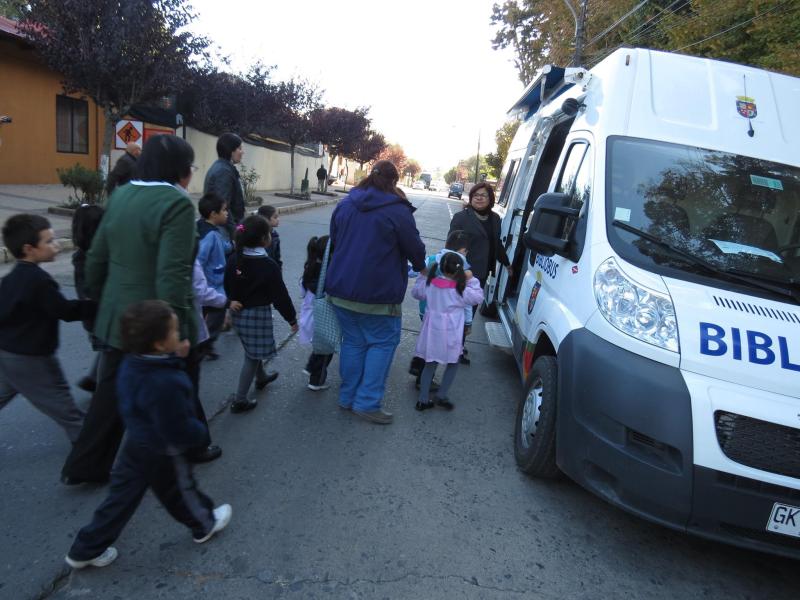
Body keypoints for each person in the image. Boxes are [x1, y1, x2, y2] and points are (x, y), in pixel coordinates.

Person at [61, 134, 219, 486]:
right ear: (182, 172)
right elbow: (172, 274)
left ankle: (85, 465)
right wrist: (175, 329)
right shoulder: (175, 205)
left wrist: (106, 302)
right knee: (181, 383)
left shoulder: (120, 195)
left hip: (118, 316)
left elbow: (97, 259)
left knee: (109, 394)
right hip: (156, 320)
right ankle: (191, 446)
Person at [64, 300, 231, 570]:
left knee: (121, 497)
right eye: (175, 333)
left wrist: (175, 356)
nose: (179, 336)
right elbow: (178, 425)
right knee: (179, 490)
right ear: (159, 343)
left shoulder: (132, 363)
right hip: (163, 448)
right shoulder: (165, 381)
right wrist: (199, 434)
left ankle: (85, 548)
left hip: (137, 441)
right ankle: (204, 524)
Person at [325, 159, 426, 424]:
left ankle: (347, 397)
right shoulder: (397, 211)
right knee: (382, 343)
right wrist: (421, 266)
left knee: (354, 342)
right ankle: (367, 403)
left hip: (341, 288)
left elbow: (335, 240)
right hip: (378, 295)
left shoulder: (346, 203)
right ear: (394, 181)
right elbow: (415, 250)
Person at [0, 214, 93, 443]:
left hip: (9, 353)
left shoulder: (11, 279)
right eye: (49, 241)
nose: (57, 245)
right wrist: (95, 306)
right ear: (29, 248)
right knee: (65, 409)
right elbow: (64, 310)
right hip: (30, 358)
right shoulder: (39, 281)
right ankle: (90, 455)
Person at [224, 215, 298, 413]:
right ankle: (240, 399)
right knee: (252, 355)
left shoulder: (234, 258)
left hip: (237, 313)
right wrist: (291, 318)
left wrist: (228, 304)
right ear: (265, 239)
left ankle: (261, 376)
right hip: (256, 316)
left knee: (252, 349)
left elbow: (226, 285)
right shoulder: (268, 265)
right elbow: (280, 296)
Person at [447, 182, 512, 362]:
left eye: (483, 195)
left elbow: (496, 244)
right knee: (457, 310)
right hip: (462, 272)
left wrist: (507, 264)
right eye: (476, 195)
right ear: (471, 197)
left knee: (471, 311)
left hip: (481, 273)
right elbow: (452, 245)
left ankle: (458, 344)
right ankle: (453, 347)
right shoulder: (461, 217)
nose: (479, 198)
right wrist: (452, 269)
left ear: (490, 198)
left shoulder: (495, 219)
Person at [411, 252, 483, 411]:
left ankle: (423, 399)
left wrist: (423, 276)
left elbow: (416, 292)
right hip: (450, 334)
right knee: (452, 362)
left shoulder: (430, 284)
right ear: (459, 270)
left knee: (430, 364)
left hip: (431, 333)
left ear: (441, 268)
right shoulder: (461, 290)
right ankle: (441, 395)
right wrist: (471, 279)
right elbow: (478, 297)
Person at [408, 229, 472, 386]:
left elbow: (416, 275)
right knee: (436, 347)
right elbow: (466, 299)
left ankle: (419, 365)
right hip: (447, 316)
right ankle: (424, 378)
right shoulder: (461, 267)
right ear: (464, 251)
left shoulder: (431, 259)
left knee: (427, 339)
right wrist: (468, 322)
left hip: (427, 311)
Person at [71, 204, 105, 392]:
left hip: (93, 318)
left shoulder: (81, 256)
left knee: (105, 350)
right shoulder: (91, 258)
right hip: (98, 317)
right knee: (108, 351)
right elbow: (92, 292)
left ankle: (93, 378)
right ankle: (101, 389)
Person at [197, 193, 232, 360]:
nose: (227, 213)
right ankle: (204, 343)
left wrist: (231, 244)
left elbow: (221, 247)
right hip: (211, 283)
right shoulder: (210, 235)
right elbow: (200, 258)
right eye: (224, 210)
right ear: (213, 214)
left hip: (212, 281)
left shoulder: (207, 229)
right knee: (217, 312)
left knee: (208, 314)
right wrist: (201, 278)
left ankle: (206, 343)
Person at [298, 235, 333, 391]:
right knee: (327, 350)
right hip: (322, 318)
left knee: (320, 347)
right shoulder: (326, 274)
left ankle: (311, 366)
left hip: (309, 316)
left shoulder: (311, 266)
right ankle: (316, 381)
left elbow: (302, 291)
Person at [204, 133, 245, 237]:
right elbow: (223, 206)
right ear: (231, 150)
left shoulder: (223, 167)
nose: (242, 152)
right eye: (239, 148)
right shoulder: (224, 171)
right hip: (223, 230)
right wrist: (235, 233)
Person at [256, 205, 282, 270]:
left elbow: (277, 257)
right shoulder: (258, 236)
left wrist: (279, 269)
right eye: (275, 217)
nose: (278, 219)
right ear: (266, 219)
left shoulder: (275, 234)